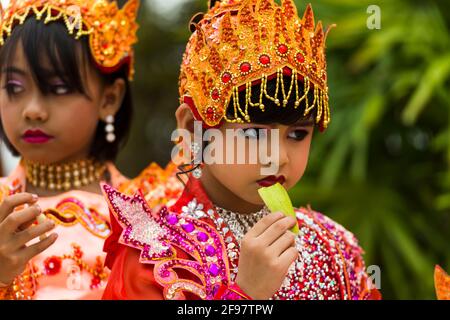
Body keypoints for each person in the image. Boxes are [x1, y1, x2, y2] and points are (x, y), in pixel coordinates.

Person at [102, 0, 381, 300]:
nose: (279, 156)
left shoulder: (333, 247)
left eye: (298, 134)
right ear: (192, 128)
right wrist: (244, 293)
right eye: (254, 133)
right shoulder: (155, 257)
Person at [0, 0, 140, 300]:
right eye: (14, 87)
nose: (33, 110)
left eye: (58, 88)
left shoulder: (156, 211)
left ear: (109, 99)